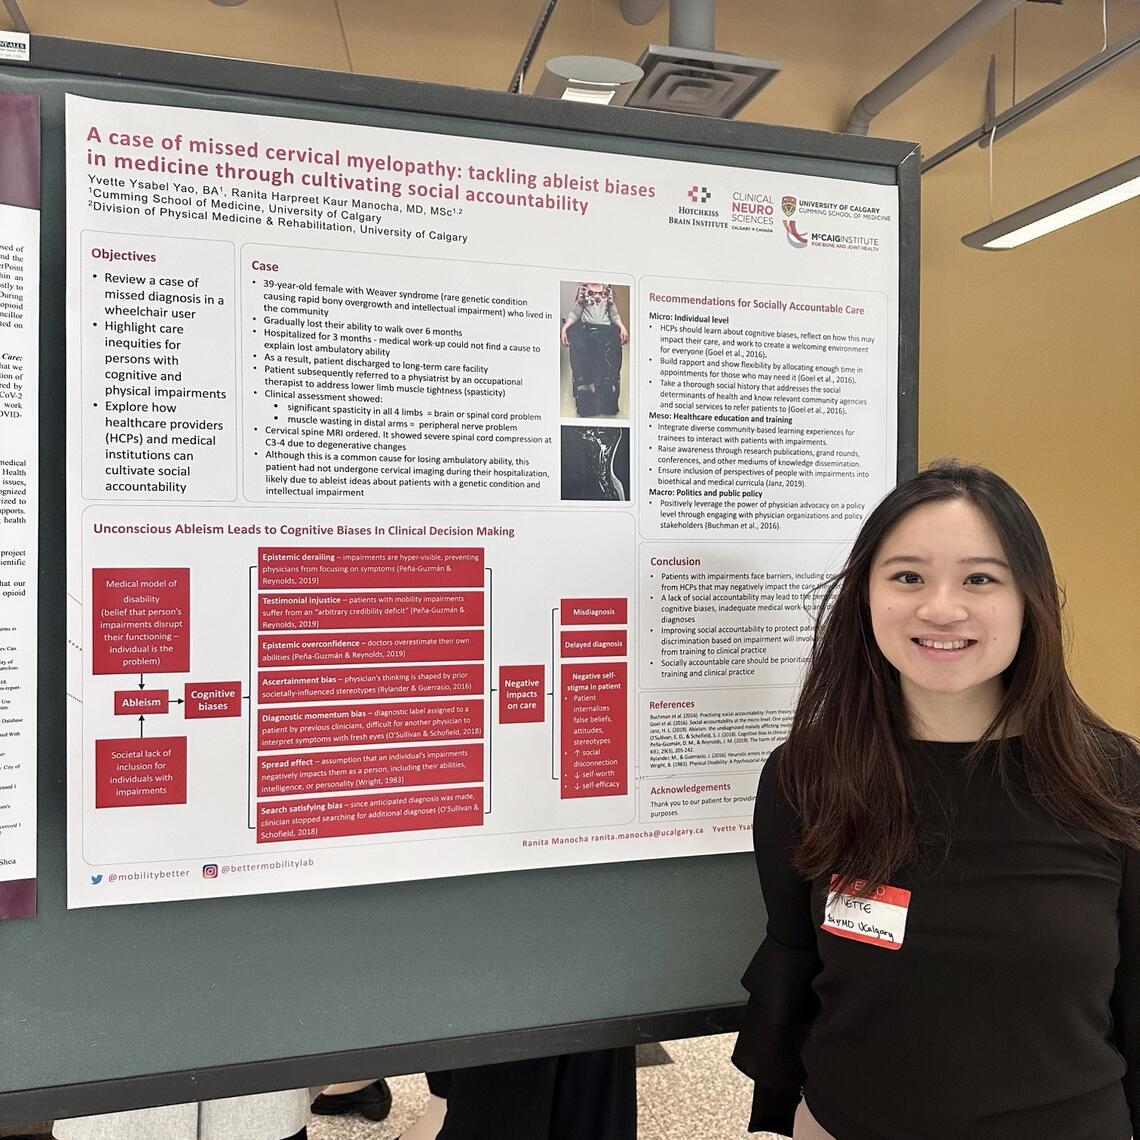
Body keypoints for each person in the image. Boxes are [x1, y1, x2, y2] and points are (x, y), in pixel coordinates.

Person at [732, 460, 1140, 1140]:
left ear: (1030, 599)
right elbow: (795, 963)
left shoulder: (1110, 778)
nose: (941, 608)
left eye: (980, 579)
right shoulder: (805, 775)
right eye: (907, 577)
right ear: (866, 594)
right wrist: (787, 1114)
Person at [560, 283, 628, 418]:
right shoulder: (583, 289)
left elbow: (613, 314)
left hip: (605, 330)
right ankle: (589, 384)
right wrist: (564, 328)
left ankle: (606, 386)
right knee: (580, 348)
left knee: (610, 353)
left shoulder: (607, 291)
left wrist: (622, 327)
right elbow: (576, 312)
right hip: (586, 329)